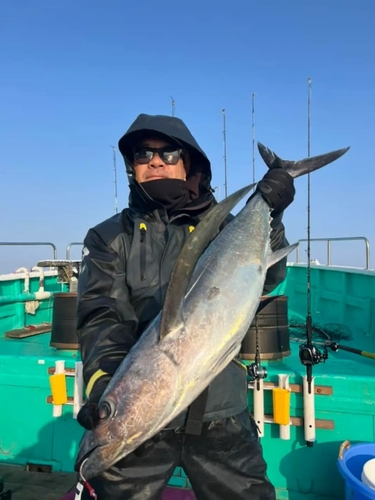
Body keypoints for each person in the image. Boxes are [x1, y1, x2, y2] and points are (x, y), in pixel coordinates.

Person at [75, 113, 295, 500]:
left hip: (220, 411)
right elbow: (101, 315)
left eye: (168, 152)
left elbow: (267, 278)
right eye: (143, 154)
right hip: (143, 422)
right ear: (132, 167)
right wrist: (104, 387)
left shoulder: (227, 228)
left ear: (188, 162)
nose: (155, 161)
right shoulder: (110, 237)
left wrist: (271, 213)